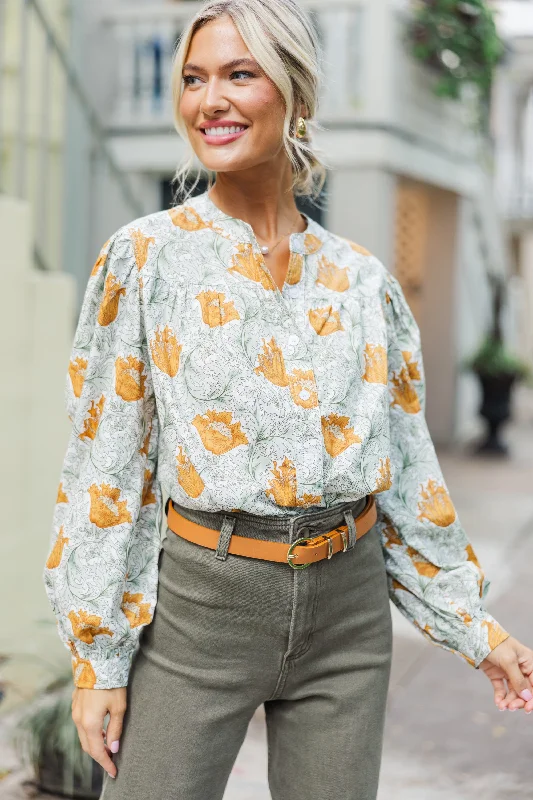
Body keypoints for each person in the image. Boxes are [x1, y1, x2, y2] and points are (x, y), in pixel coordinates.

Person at [42, 1, 533, 798]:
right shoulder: (146, 259)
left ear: (295, 93)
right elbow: (106, 465)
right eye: (194, 79)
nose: (210, 100)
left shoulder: (361, 281)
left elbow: (405, 471)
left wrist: (474, 627)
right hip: (201, 605)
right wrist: (98, 657)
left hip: (348, 610)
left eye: (241, 74)